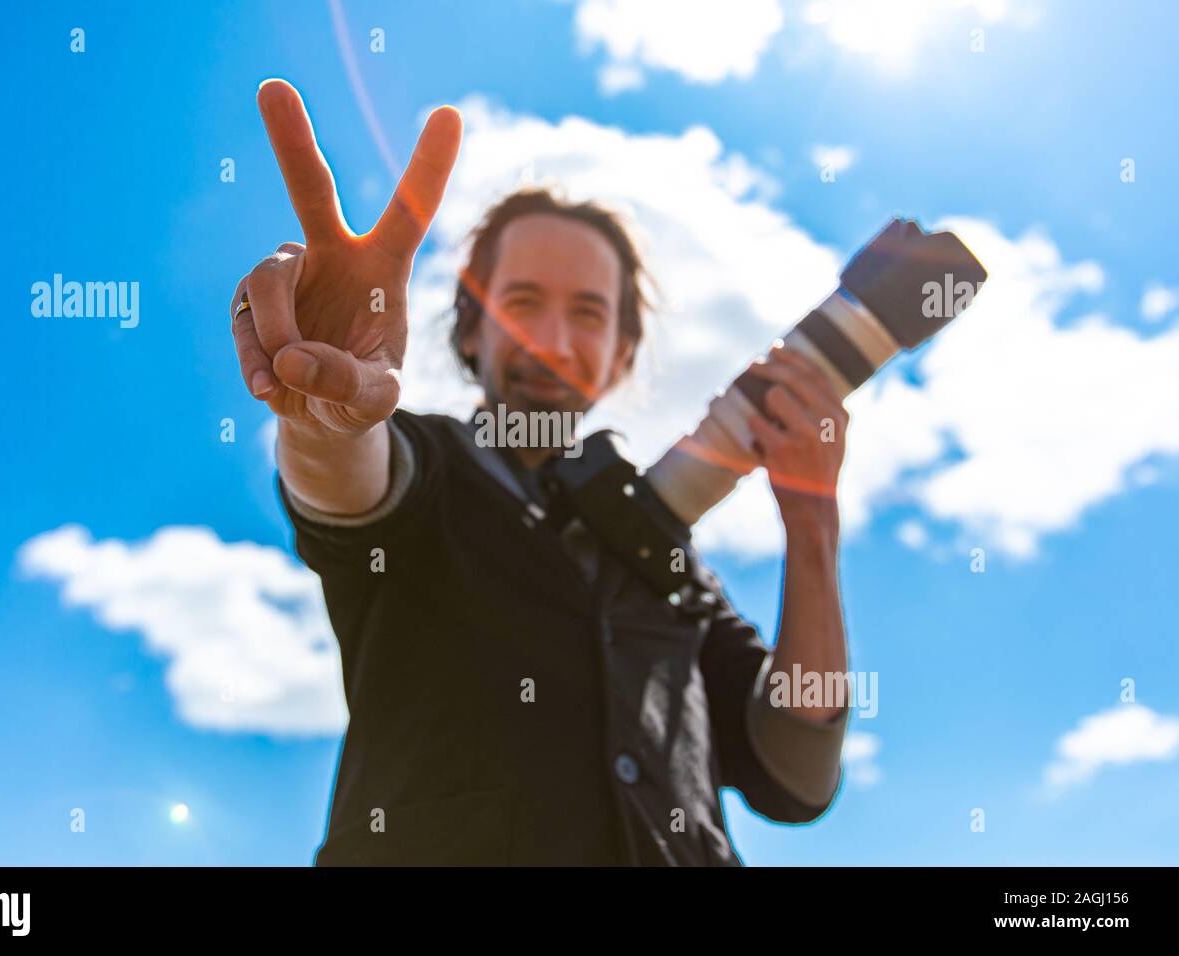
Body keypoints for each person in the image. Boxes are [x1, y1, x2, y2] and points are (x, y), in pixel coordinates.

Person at [230, 78, 853, 865]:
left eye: (589, 313)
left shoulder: (671, 560)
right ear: (469, 331)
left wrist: (812, 525)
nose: (553, 340)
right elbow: (350, 484)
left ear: (623, 351)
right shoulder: (432, 467)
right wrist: (322, 415)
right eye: (522, 302)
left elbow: (795, 776)